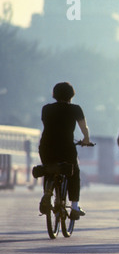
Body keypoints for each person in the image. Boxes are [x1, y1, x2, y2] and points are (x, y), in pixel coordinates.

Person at [38, 82, 91, 220]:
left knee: (48, 169)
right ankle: (74, 206)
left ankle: (47, 194)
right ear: (72, 95)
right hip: (66, 147)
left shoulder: (46, 109)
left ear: (54, 94)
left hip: (46, 146)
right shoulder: (75, 109)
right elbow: (84, 127)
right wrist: (86, 139)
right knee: (74, 172)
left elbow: (48, 125)